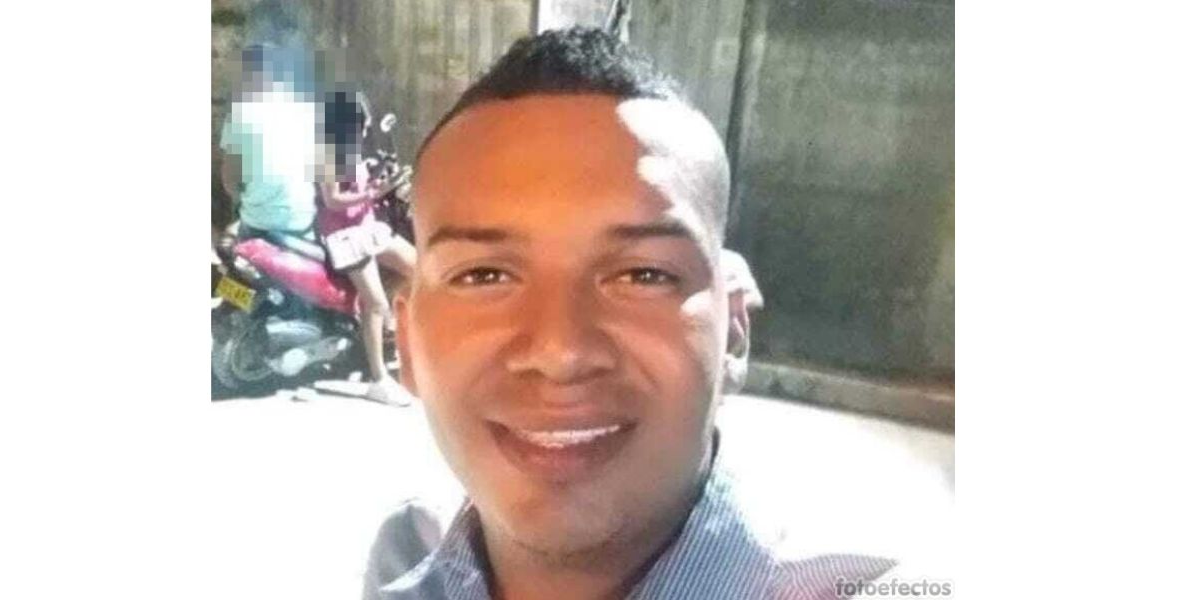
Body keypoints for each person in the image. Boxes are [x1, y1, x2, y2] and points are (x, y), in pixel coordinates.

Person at [363, 28, 898, 599]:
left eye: (644, 275)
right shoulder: (406, 559)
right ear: (408, 344)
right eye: (483, 276)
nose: (561, 353)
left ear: (734, 336)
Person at [316, 89, 415, 405]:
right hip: (344, 236)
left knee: (419, 268)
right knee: (374, 303)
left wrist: (383, 185)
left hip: (368, 226)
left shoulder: (353, 150)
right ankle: (379, 379)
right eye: (361, 124)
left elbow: (360, 189)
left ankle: (394, 329)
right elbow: (333, 200)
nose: (364, 129)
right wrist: (373, 194)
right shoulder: (329, 153)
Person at [218, 43, 320, 242]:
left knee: (233, 233)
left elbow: (229, 178)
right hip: (302, 221)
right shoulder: (306, 109)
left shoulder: (241, 114)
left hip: (259, 224)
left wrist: (243, 200)